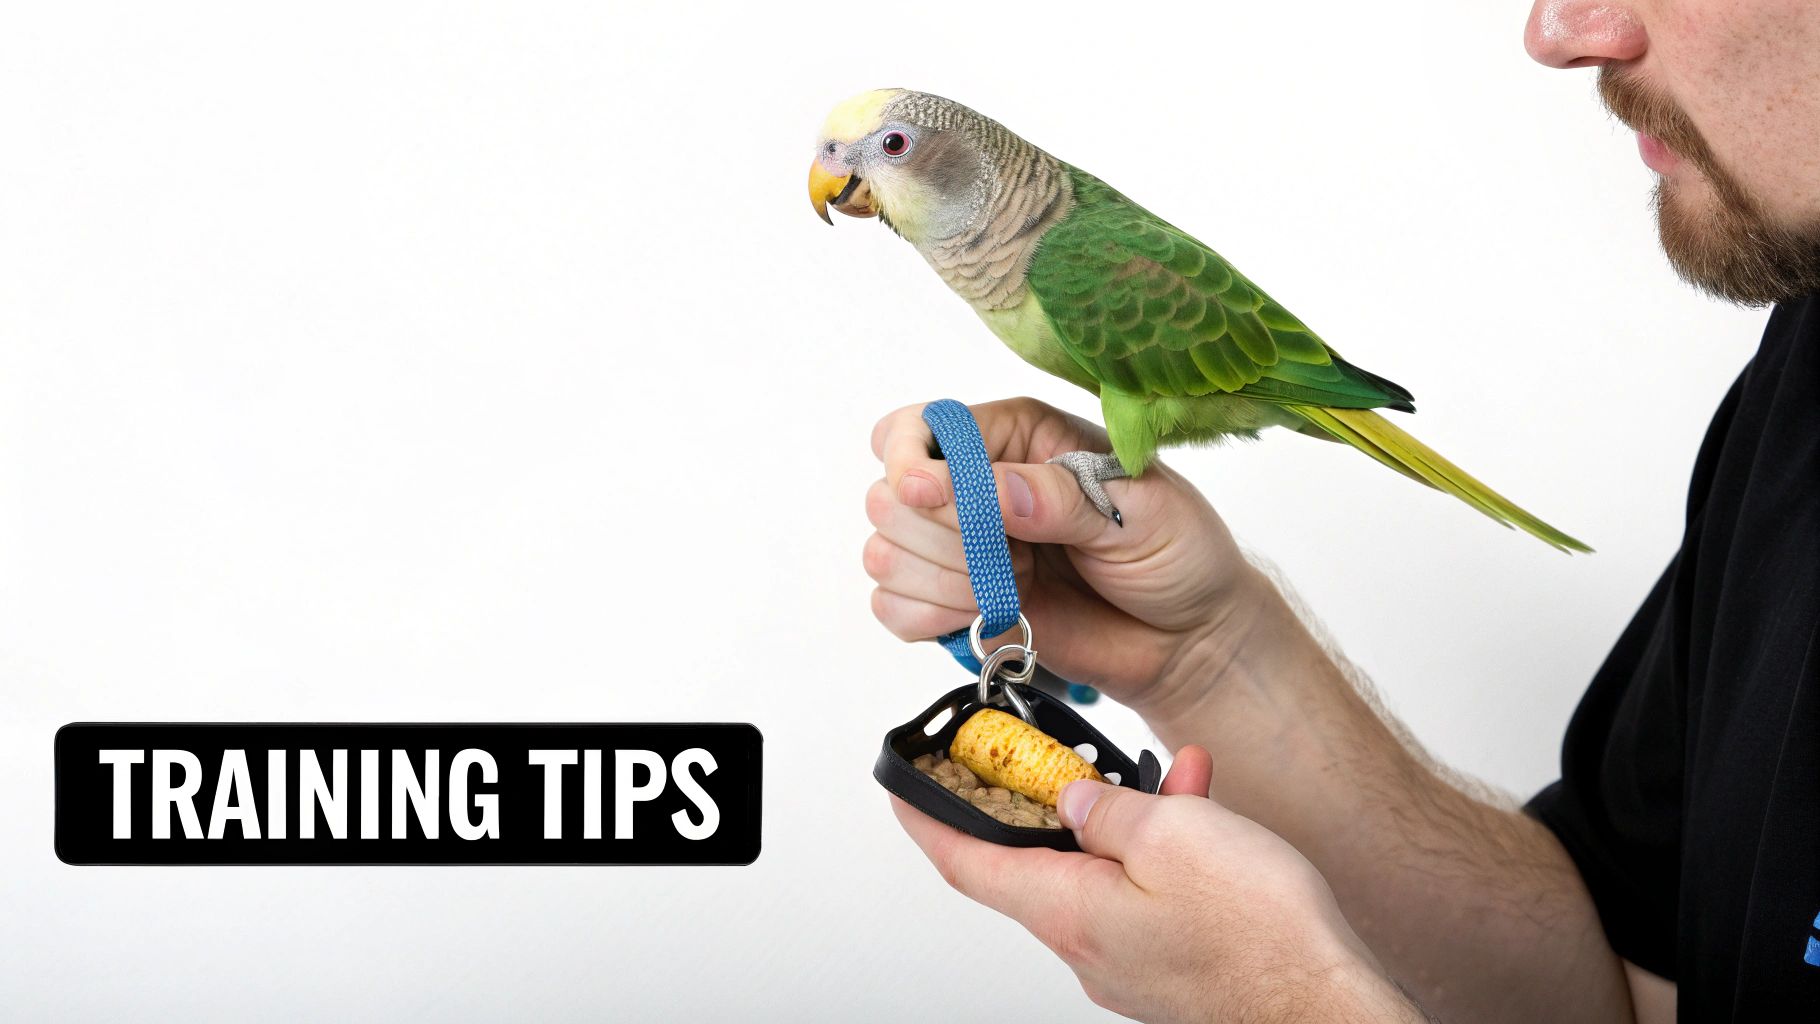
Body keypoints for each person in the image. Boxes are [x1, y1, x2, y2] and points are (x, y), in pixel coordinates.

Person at [863, 1, 1820, 1020]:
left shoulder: (1074, 259)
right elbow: (1624, 989)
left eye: (886, 149)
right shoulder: (1791, 392)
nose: (1553, 29)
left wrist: (1298, 1003)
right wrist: (1203, 655)